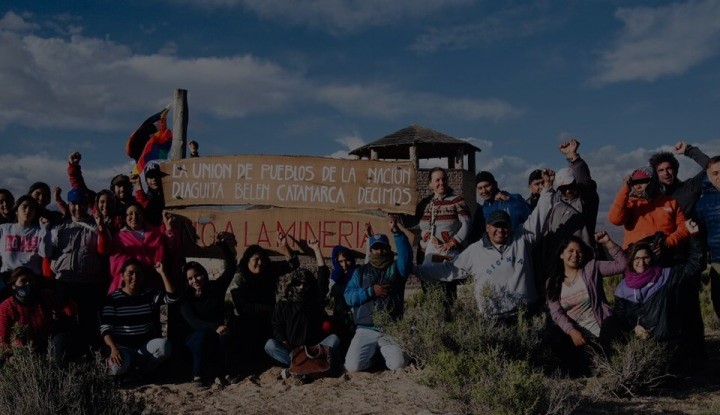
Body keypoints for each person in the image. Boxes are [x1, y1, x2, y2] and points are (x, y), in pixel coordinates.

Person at [415, 169, 555, 320]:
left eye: (503, 225)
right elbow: (450, 270)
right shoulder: (477, 249)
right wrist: (414, 270)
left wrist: (547, 188)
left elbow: (538, 216)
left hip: (525, 312)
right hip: (494, 317)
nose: (499, 230)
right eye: (495, 226)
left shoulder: (521, 239)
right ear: (487, 228)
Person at [545, 232, 628, 376]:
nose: (575, 255)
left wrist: (608, 242)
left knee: (612, 323)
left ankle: (615, 368)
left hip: (600, 333)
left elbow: (623, 265)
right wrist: (571, 331)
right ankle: (567, 372)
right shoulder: (553, 282)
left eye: (579, 252)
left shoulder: (592, 268)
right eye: (570, 251)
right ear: (561, 255)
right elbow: (556, 313)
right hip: (576, 338)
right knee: (553, 333)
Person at [613, 220, 705, 350]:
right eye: (637, 258)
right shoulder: (623, 288)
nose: (641, 262)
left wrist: (695, 235)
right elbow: (620, 315)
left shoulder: (667, 275)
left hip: (667, 343)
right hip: (637, 344)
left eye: (646, 258)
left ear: (652, 258)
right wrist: (634, 326)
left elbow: (695, 265)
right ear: (631, 260)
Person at [39, 188, 110, 350]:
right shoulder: (59, 226)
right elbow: (46, 253)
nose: (77, 208)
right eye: (74, 204)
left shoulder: (95, 224)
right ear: (69, 204)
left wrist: (101, 229)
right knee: (64, 322)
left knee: (89, 322)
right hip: (63, 284)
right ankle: (64, 356)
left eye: (81, 204)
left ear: (87, 205)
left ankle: (89, 357)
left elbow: (104, 250)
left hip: (89, 284)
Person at [344, 215, 412, 372]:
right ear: (371, 250)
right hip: (365, 328)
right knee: (352, 367)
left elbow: (406, 255)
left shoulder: (397, 269)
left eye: (383, 248)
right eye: (376, 248)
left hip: (390, 328)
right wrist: (370, 291)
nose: (379, 251)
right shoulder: (360, 272)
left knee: (398, 365)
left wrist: (396, 231)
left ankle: (384, 355)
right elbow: (348, 296)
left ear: (388, 249)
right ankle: (374, 358)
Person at [100, 259, 177, 377]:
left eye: (138, 273)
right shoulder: (113, 299)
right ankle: (129, 371)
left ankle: (142, 373)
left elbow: (171, 298)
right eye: (130, 273)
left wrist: (162, 273)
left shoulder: (149, 295)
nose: (134, 277)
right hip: (122, 348)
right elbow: (106, 329)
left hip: (144, 348)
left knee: (164, 346)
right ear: (122, 276)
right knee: (116, 370)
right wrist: (113, 349)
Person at [230, 232, 299, 362]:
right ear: (248, 260)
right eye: (256, 259)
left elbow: (293, 263)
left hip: (270, 318)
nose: (260, 263)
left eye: (262, 259)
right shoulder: (240, 276)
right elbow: (240, 306)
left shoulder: (269, 270)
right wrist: (267, 309)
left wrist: (285, 246)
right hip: (248, 320)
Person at [180, 232, 237, 387]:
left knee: (225, 335)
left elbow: (231, 268)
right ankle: (197, 375)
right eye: (190, 278)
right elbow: (193, 322)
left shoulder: (215, 288)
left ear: (203, 274)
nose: (194, 280)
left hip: (217, 334)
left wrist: (223, 246)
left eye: (197, 275)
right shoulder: (185, 298)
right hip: (195, 338)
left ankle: (226, 373)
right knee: (202, 334)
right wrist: (214, 327)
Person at [265, 268, 340, 377]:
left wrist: (316, 250)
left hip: (313, 350)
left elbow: (323, 278)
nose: (301, 287)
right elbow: (276, 326)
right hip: (291, 350)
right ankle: (306, 365)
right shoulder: (283, 304)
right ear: (293, 284)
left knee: (334, 339)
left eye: (305, 284)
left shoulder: (314, 303)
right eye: (298, 283)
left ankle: (299, 367)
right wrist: (283, 341)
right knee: (269, 345)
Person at [0, 267, 78, 361]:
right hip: (23, 348)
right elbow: (2, 338)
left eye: (31, 281)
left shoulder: (45, 296)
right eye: (23, 281)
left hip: (46, 342)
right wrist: (9, 355)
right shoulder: (7, 306)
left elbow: (69, 311)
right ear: (13, 285)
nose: (28, 284)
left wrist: (64, 300)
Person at [608, 166, 689, 253]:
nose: (638, 186)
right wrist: (625, 190)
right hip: (636, 258)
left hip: (666, 254)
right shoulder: (630, 203)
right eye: (634, 183)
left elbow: (683, 228)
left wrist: (667, 243)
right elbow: (615, 220)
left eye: (642, 182)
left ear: (653, 182)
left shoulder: (670, 202)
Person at [108, 203, 178, 293]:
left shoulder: (156, 232)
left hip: (155, 279)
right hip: (131, 281)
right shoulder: (119, 237)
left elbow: (172, 248)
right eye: (130, 214)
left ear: (143, 215)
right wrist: (137, 263)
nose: (134, 217)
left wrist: (168, 228)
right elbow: (115, 260)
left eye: (138, 214)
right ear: (124, 217)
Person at [418, 167, 472, 264]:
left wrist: (453, 242)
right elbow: (411, 221)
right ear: (430, 184)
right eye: (437, 180)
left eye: (444, 179)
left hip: (449, 254)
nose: (442, 182)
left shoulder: (457, 200)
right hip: (425, 253)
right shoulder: (425, 204)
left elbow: (467, 223)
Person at [311, 239, 355, 346]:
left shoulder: (357, 274)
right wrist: (316, 249)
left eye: (347, 260)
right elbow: (322, 276)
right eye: (340, 261)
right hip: (339, 318)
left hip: (355, 319)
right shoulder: (334, 278)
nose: (344, 264)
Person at [468, 170, 530, 244]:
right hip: (494, 251)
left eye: (487, 186)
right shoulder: (481, 211)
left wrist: (509, 200)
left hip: (517, 246)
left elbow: (531, 217)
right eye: (480, 188)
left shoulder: (514, 199)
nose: (484, 191)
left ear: (495, 184)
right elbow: (476, 236)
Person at [696, 156, 720, 320]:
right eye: (715, 173)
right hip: (718, 263)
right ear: (709, 176)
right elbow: (701, 235)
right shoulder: (703, 204)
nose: (719, 177)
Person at [0, 195, 44, 280]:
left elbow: (46, 253)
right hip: (7, 277)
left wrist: (45, 229)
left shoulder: (40, 231)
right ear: (16, 210)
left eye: (32, 208)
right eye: (24, 206)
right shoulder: (3, 229)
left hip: (32, 278)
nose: (28, 210)